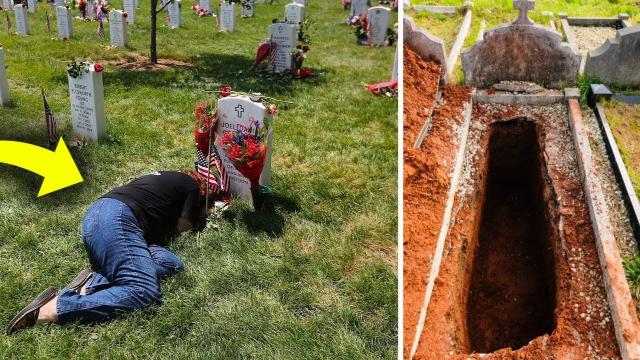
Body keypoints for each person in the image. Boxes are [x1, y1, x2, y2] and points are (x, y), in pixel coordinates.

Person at [6, 170, 217, 335]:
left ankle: (90, 284)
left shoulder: (163, 179)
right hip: (118, 221)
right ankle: (56, 307)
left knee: (172, 264)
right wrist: (201, 213)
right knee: (143, 291)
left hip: (101, 216)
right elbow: (184, 227)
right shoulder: (191, 185)